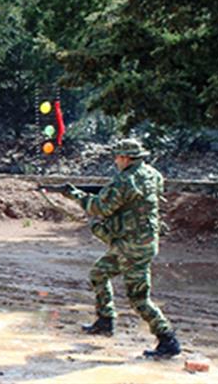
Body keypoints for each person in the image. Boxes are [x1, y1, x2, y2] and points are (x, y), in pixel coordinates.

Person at [65, 138, 181, 359]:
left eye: (117, 157)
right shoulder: (153, 174)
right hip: (141, 241)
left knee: (139, 298)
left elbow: (99, 208)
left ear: (126, 158)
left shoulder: (125, 181)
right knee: (99, 274)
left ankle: (168, 339)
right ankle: (105, 320)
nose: (115, 161)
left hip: (132, 247)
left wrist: (74, 195)